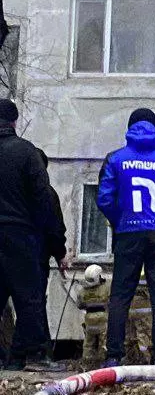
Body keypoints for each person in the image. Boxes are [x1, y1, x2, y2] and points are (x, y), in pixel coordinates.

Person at [97, 108, 155, 367]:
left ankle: (114, 355)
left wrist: (121, 221)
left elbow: (104, 198)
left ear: (129, 127)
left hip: (128, 233)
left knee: (120, 294)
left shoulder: (115, 159)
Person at [0, 99, 65, 371]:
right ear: (14, 121)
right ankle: (17, 359)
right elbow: (43, 199)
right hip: (18, 234)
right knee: (29, 300)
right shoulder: (26, 152)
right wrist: (41, 236)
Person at [37, 148, 68, 347]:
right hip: (36, 257)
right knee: (34, 304)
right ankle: (37, 351)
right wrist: (60, 255)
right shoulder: (46, 193)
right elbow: (55, 228)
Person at [77, 265, 109, 366]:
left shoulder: (83, 291)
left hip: (89, 319)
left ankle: (87, 363)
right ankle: (101, 363)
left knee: (89, 343)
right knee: (103, 341)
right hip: (103, 318)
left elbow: (80, 305)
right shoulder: (106, 288)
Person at [126, 269, 152, 364]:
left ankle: (131, 360)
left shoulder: (130, 264)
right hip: (143, 306)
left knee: (131, 336)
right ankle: (145, 361)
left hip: (130, 305)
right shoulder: (147, 267)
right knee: (144, 335)